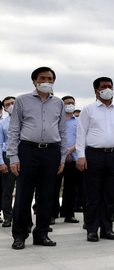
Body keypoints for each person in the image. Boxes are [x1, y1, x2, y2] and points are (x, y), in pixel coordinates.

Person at [7, 66, 67, 250]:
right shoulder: (22, 101)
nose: (46, 82)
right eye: (42, 78)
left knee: (47, 195)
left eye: (50, 78)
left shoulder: (58, 103)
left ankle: (41, 234)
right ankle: (20, 235)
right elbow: (14, 129)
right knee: (24, 195)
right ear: (34, 81)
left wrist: (62, 157)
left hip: (51, 152)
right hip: (28, 151)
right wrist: (13, 157)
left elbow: (62, 131)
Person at [76, 77, 114, 242]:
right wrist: (81, 156)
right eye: (104, 87)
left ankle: (107, 229)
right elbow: (81, 135)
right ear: (96, 91)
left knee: (111, 194)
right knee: (93, 195)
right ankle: (92, 229)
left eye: (110, 86)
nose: (108, 89)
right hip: (94, 155)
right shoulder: (88, 109)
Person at [51, 96, 80, 224]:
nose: (70, 105)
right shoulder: (56, 120)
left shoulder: (78, 122)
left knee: (71, 187)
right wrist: (63, 152)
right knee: (54, 187)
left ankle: (69, 213)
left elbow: (81, 139)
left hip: (74, 157)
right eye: (67, 103)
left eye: (72, 103)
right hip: (57, 158)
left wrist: (69, 151)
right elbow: (54, 138)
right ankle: (52, 213)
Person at [1, 96, 16, 227]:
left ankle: (22, 217)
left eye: (13, 103)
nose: (11, 105)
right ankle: (7, 216)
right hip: (8, 157)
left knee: (26, 189)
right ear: (5, 109)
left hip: (26, 156)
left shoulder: (27, 120)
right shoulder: (3, 123)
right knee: (7, 189)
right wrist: (1, 162)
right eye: (8, 104)